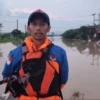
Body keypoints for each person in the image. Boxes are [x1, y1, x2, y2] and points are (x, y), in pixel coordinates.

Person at [2, 9, 69, 100]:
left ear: (48, 28)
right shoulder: (15, 53)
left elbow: (63, 81)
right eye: (34, 24)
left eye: (42, 24)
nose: (38, 28)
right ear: (28, 28)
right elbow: (6, 76)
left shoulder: (60, 53)